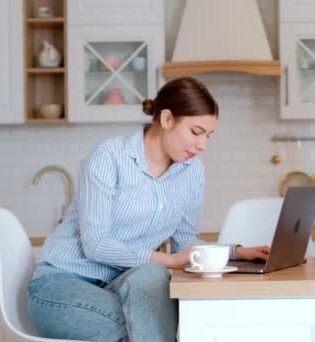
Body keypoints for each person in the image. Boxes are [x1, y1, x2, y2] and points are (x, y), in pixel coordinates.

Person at [27, 77, 270, 342]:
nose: (202, 145)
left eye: (208, 136)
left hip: (120, 285)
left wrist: (236, 252)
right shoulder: (109, 157)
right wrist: (168, 261)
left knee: (152, 280)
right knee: (144, 326)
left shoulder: (192, 172)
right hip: (62, 284)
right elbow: (95, 246)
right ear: (167, 119)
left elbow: (185, 245)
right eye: (196, 132)